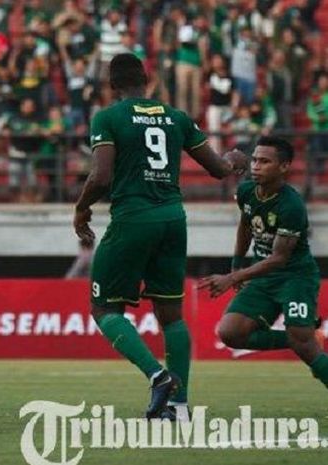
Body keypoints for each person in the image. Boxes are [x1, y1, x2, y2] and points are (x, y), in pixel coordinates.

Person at [72, 54, 247, 420]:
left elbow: (101, 177)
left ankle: (157, 375)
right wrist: (233, 159)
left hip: (133, 218)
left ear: (112, 85)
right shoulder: (176, 117)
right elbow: (218, 169)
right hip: (172, 219)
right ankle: (179, 408)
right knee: (171, 316)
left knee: (104, 308)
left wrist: (81, 208)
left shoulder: (108, 117)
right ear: (147, 80)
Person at [200, 137, 328, 395]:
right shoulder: (247, 191)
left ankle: (302, 339)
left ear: (284, 167)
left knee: (304, 347)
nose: (256, 166)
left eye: (265, 161)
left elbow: (279, 258)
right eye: (255, 160)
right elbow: (246, 225)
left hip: (295, 277)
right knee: (230, 333)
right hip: (263, 277)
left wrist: (233, 278)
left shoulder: (291, 205)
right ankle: (302, 336)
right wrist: (236, 264)